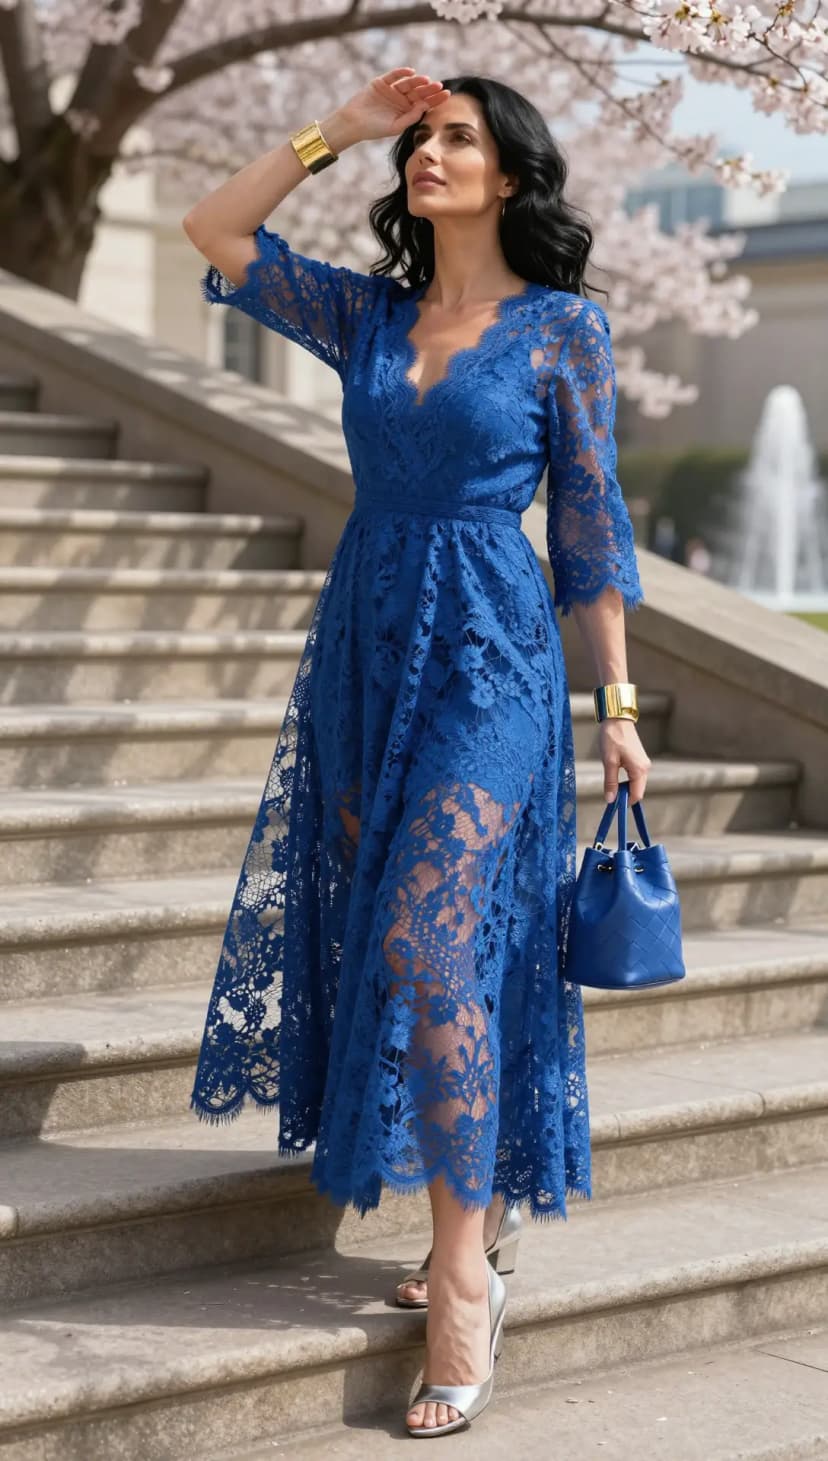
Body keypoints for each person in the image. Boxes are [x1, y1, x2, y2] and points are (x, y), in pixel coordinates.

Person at [183, 68, 650, 1439]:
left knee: (432, 941)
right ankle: (478, 1207)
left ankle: (460, 1272)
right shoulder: (366, 313)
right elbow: (216, 230)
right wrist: (335, 130)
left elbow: (591, 530)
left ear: (511, 173)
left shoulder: (565, 327)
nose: (430, 154)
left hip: (495, 657)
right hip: (368, 652)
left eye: (458, 138)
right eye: (423, 139)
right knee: (416, 935)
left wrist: (619, 712)